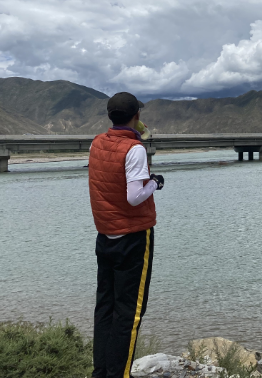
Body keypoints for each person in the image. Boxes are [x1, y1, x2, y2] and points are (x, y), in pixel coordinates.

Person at [88, 92, 165, 378]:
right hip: (133, 237)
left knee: (105, 307)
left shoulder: (97, 143)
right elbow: (134, 196)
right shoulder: (134, 150)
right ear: (137, 116)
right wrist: (154, 183)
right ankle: (119, 374)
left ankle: (102, 372)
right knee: (129, 314)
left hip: (105, 235)